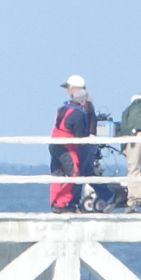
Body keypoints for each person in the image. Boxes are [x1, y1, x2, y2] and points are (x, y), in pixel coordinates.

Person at [50, 76, 94, 212]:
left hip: (54, 144)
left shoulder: (62, 108)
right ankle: (61, 203)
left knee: (57, 174)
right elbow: (80, 135)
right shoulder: (79, 113)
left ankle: (54, 203)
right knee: (75, 174)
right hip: (67, 146)